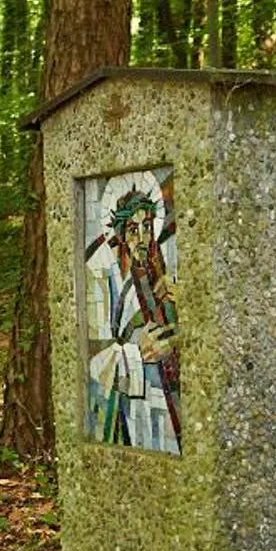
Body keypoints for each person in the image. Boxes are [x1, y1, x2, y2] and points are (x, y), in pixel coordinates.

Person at [83, 180, 181, 452]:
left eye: (147, 228)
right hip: (129, 408)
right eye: (133, 230)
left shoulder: (153, 265)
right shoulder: (98, 272)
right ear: (120, 233)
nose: (142, 238)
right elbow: (93, 358)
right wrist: (138, 352)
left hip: (167, 393)